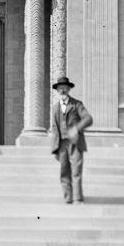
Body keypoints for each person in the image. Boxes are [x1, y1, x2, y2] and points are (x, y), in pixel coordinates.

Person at [49, 76, 93, 204]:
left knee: (76, 170)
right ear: (57, 90)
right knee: (64, 171)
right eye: (60, 88)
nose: (62, 90)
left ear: (69, 89)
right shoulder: (55, 107)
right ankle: (68, 198)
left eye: (64, 88)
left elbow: (88, 119)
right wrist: (54, 148)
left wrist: (76, 128)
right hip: (61, 144)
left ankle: (78, 198)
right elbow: (55, 128)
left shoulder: (77, 104)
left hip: (75, 143)